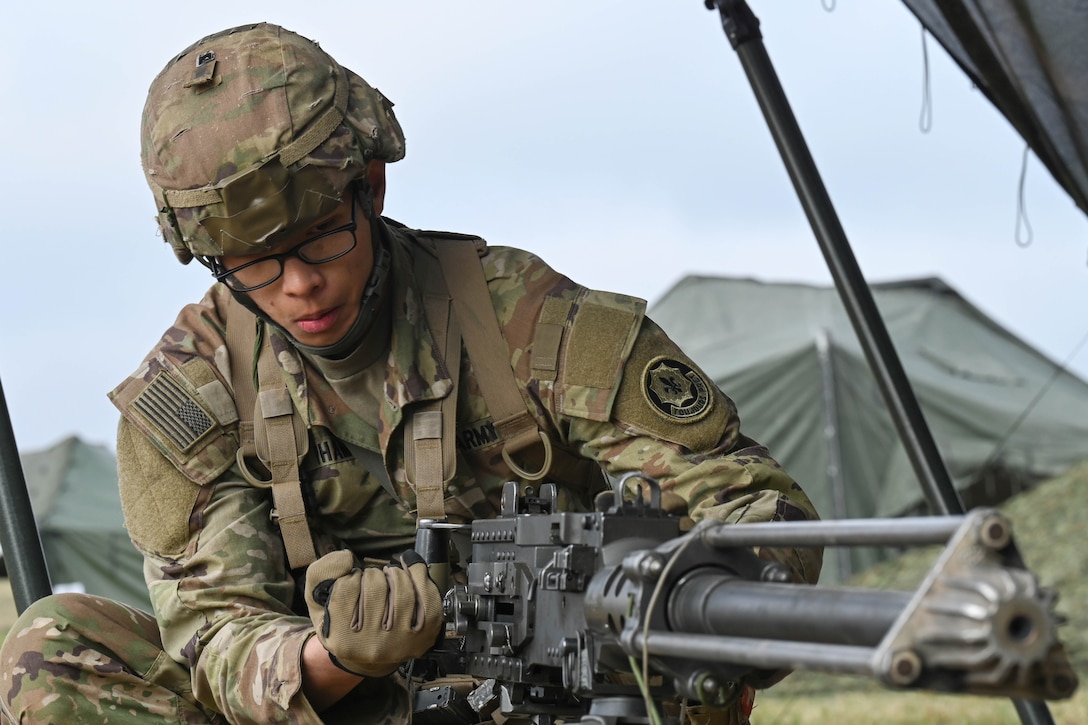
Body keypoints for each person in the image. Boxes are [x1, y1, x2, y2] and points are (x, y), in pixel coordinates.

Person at [0, 22, 821, 725]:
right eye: (252, 263)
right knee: (53, 647)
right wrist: (330, 656)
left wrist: (656, 600)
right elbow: (214, 634)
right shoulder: (191, 395)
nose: (298, 283)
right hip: (334, 706)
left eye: (320, 236)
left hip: (557, 696)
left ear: (371, 185)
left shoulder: (522, 321)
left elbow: (751, 506)